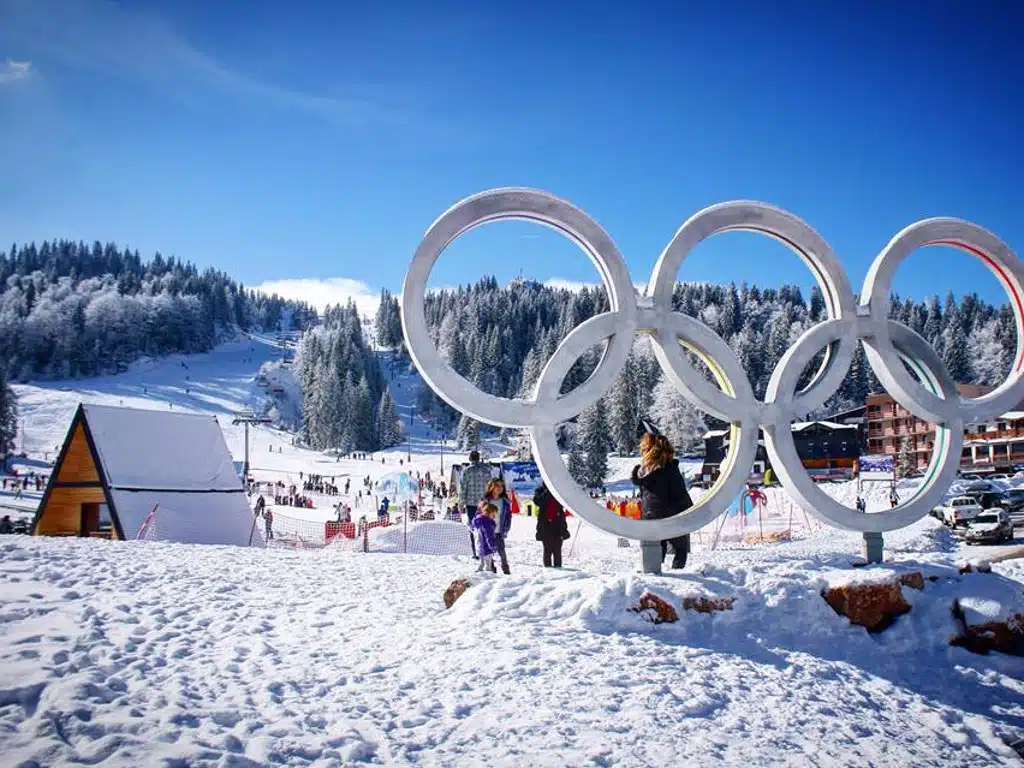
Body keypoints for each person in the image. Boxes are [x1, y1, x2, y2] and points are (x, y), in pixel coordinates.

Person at [631, 422, 692, 570]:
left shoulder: (644, 470)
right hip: (671, 515)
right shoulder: (670, 469)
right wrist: (690, 511)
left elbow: (639, 483)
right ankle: (677, 575)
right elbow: (680, 493)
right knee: (681, 548)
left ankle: (656, 574)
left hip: (650, 515)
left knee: (657, 546)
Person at [459, 450, 491, 559]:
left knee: (473, 527)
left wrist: (461, 504)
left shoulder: (466, 471)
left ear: (470, 459)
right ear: (478, 458)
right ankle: (486, 550)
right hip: (484, 503)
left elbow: (463, 489)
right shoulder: (486, 471)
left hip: (471, 504)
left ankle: (475, 552)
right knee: (485, 526)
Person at [534, 482, 569, 567]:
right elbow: (538, 501)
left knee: (557, 550)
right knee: (548, 550)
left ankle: (559, 572)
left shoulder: (559, 489)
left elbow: (566, 502)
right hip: (545, 524)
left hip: (558, 524)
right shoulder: (540, 490)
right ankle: (548, 573)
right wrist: (549, 491)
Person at [482, 478, 513, 574]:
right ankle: (491, 568)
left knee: (502, 552)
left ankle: (506, 569)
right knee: (488, 551)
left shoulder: (505, 501)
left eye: (501, 486)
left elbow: (508, 516)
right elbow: (479, 514)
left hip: (499, 531)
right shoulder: (485, 501)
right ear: (491, 487)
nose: (500, 488)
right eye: (497, 486)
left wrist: (506, 528)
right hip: (488, 531)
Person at [471, 503, 499, 573]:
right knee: (488, 565)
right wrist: (493, 546)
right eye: (493, 514)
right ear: (487, 513)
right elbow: (489, 536)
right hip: (486, 547)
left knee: (481, 563)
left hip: (479, 546)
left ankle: (478, 574)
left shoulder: (478, 520)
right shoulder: (487, 523)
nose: (495, 516)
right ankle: (488, 578)